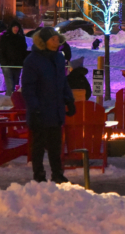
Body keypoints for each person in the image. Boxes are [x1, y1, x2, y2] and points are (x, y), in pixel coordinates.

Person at [22, 27, 76, 183]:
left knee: (55, 145)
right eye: (53, 39)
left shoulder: (59, 58)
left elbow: (63, 81)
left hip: (56, 109)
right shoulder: (32, 61)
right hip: (40, 110)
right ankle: (39, 175)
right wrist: (35, 110)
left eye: (57, 38)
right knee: (38, 145)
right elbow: (28, 88)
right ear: (44, 42)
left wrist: (69, 99)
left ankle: (57, 173)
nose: (56, 41)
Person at [0, 20, 28, 95]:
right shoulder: (5, 38)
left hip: (17, 64)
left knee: (15, 85)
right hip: (7, 65)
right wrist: (3, 62)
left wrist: (23, 61)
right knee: (10, 85)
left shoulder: (21, 38)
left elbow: (24, 51)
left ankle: (13, 99)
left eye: (17, 27)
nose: (16, 28)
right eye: (14, 27)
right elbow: (0, 51)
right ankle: (9, 98)